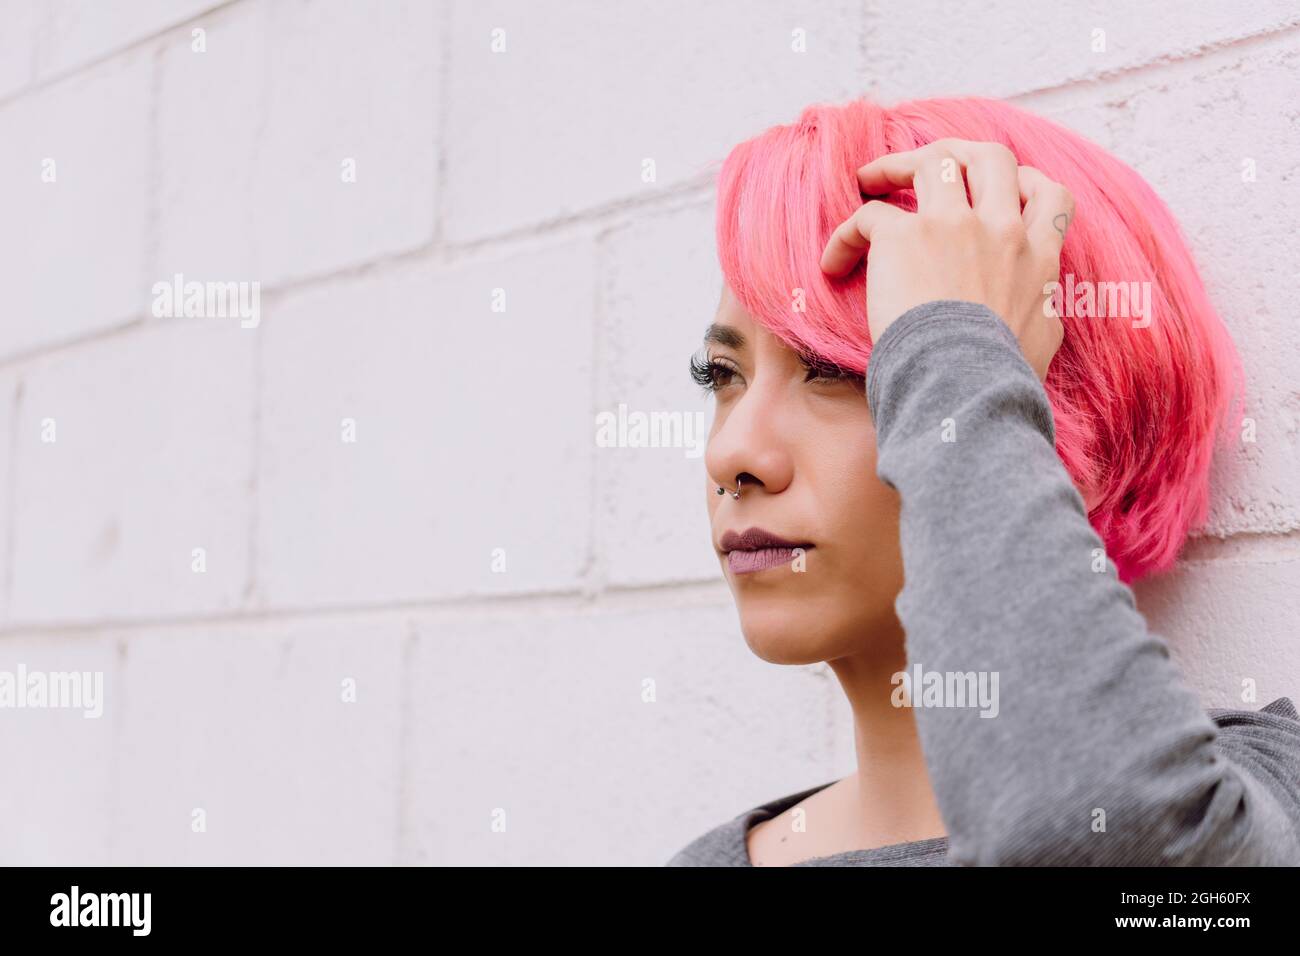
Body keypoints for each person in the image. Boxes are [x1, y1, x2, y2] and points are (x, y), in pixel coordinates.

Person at [667, 98, 1300, 866]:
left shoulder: (1260, 794)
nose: (733, 452)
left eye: (834, 369)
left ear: (1060, 417)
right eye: (723, 375)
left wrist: (950, 350)